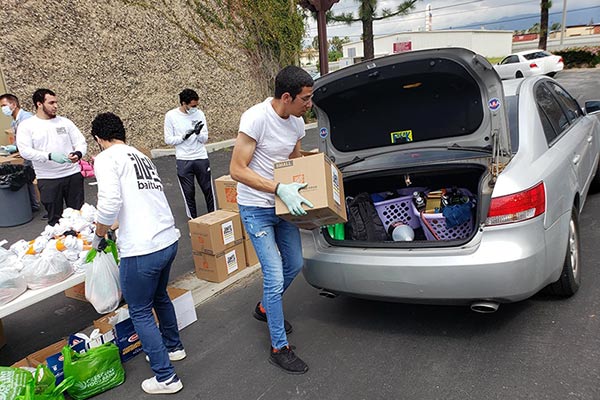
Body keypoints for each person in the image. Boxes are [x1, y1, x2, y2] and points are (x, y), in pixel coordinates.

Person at [90, 112, 185, 395]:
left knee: (140, 310)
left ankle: (166, 377)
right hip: (167, 239)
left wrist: (98, 236)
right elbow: (138, 201)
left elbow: (108, 204)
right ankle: (173, 346)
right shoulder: (139, 156)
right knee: (159, 296)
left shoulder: (106, 158)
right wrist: (113, 225)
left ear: (98, 139)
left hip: (142, 249)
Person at [229, 66, 314, 374]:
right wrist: (278, 188)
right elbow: (237, 169)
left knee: (295, 265)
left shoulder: (297, 123)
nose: (309, 104)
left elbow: (292, 161)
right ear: (287, 97)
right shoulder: (256, 118)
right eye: (305, 98)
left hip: (283, 206)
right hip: (256, 208)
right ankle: (279, 347)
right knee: (275, 276)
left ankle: (265, 307)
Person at [16, 88, 86, 225]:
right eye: (51, 102)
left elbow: (81, 142)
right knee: (55, 220)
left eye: (56, 102)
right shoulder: (27, 126)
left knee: (79, 217)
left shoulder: (65, 122)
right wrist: (49, 156)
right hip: (48, 179)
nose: (56, 106)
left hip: (73, 174)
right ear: (39, 104)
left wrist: (78, 154)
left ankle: (80, 244)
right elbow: (24, 151)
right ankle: (58, 244)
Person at [164, 88, 215, 219]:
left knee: (208, 189)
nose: (195, 108)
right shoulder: (171, 116)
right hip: (184, 159)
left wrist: (198, 133)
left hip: (201, 157)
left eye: (196, 105)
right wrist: (183, 137)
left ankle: (214, 218)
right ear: (183, 103)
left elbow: (204, 138)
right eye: (192, 106)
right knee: (189, 192)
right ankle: (194, 221)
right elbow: (168, 139)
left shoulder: (200, 114)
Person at [0, 93, 41, 213]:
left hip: (34, 153)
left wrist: (15, 147)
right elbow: (19, 139)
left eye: (4, 105)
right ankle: (33, 205)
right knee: (28, 177)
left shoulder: (26, 119)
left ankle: (48, 209)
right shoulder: (15, 121)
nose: (3, 109)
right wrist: (11, 148)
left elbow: (32, 138)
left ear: (14, 104)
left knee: (38, 178)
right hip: (27, 154)